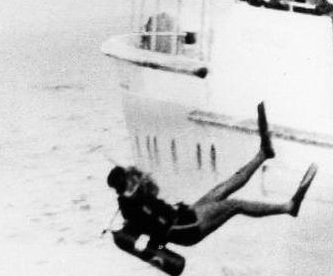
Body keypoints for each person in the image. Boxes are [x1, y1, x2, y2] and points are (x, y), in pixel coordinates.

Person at [107, 104, 316, 248]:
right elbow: (154, 228)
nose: (134, 179)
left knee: (224, 188)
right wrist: (154, 239)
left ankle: (263, 154)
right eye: (130, 178)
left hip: (184, 216)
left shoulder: (134, 198)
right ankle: (288, 207)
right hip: (186, 228)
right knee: (235, 205)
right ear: (124, 184)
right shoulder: (132, 206)